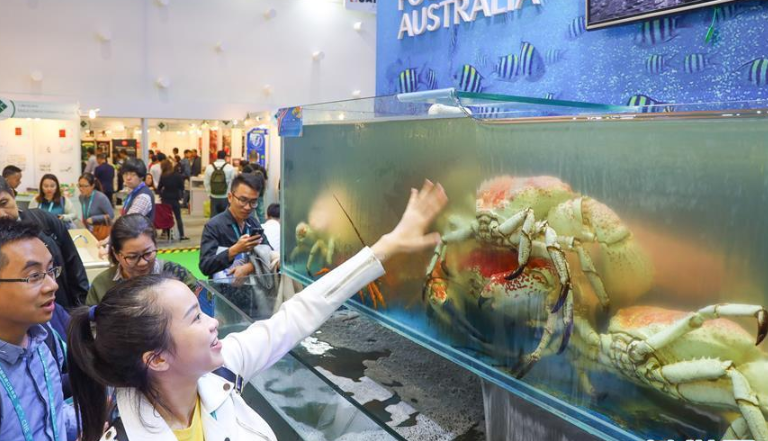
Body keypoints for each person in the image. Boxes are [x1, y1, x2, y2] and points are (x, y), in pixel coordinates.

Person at [67, 180, 446, 441]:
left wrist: (387, 246)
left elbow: (299, 313)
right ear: (157, 358)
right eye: (195, 318)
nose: (214, 322)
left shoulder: (220, 372)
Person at [0, 219, 79, 441]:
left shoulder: (43, 341)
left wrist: (92, 415)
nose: (53, 285)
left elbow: (52, 417)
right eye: (34, 276)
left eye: (51, 270)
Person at [0, 177, 89, 309]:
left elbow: (74, 265)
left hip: (62, 309)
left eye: (3, 203)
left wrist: (81, 310)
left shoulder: (44, 220)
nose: (2, 214)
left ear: (12, 194)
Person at [86, 214, 198, 306]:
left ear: (155, 245)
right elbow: (91, 324)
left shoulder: (178, 275)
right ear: (116, 254)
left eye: (148, 253)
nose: (143, 262)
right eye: (132, 257)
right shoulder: (101, 285)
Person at [199, 173, 271, 279]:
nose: (248, 207)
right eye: (243, 200)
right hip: (222, 287)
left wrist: (249, 267)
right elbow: (205, 266)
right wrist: (234, 250)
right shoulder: (214, 226)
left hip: (252, 287)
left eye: (253, 202)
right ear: (230, 197)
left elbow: (269, 253)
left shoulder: (253, 223)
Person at [157, 159, 189, 241]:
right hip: (175, 198)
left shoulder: (163, 176)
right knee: (178, 217)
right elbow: (182, 187)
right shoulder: (177, 175)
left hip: (165, 199)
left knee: (166, 217)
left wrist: (161, 194)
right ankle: (181, 235)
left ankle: (166, 234)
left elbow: (159, 188)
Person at [77, 173, 114, 237]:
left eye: (85, 186)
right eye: (80, 185)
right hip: (89, 230)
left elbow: (111, 215)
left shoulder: (101, 197)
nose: (81, 189)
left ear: (92, 186)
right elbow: (86, 212)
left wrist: (94, 219)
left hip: (101, 231)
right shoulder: (81, 197)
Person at [203, 150, 235, 218]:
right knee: (226, 218)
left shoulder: (209, 167)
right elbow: (233, 183)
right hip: (226, 197)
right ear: (225, 157)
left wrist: (209, 194)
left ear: (217, 156)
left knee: (214, 218)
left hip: (214, 196)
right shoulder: (230, 168)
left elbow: (206, 182)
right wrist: (229, 194)